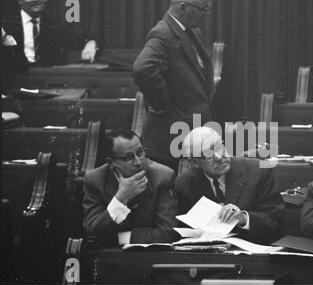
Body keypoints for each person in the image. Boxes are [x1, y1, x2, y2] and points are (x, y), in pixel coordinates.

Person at [133, 0, 215, 171]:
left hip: (193, 132)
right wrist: (162, 104)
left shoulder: (192, 32)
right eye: (203, 9)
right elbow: (143, 68)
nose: (206, 14)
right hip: (171, 136)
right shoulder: (162, 33)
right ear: (183, 8)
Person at [175, 127, 284, 244]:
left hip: (250, 250)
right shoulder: (185, 183)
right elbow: (182, 229)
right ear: (193, 163)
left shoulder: (258, 171)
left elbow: (276, 221)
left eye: (218, 146)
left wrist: (243, 218)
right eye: (208, 154)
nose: (219, 157)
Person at [82, 130, 179, 246]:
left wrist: (119, 238)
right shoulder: (95, 180)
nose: (138, 162)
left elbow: (167, 232)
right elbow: (92, 232)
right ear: (111, 162)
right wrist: (121, 198)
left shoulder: (163, 177)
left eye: (140, 153)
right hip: (110, 256)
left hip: (150, 255)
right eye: (128, 157)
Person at [2, 0, 98, 70]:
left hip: (46, 81)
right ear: (19, 1)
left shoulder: (54, 25)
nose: (36, 0)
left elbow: (80, 38)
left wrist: (91, 43)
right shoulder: (6, 24)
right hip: (14, 82)